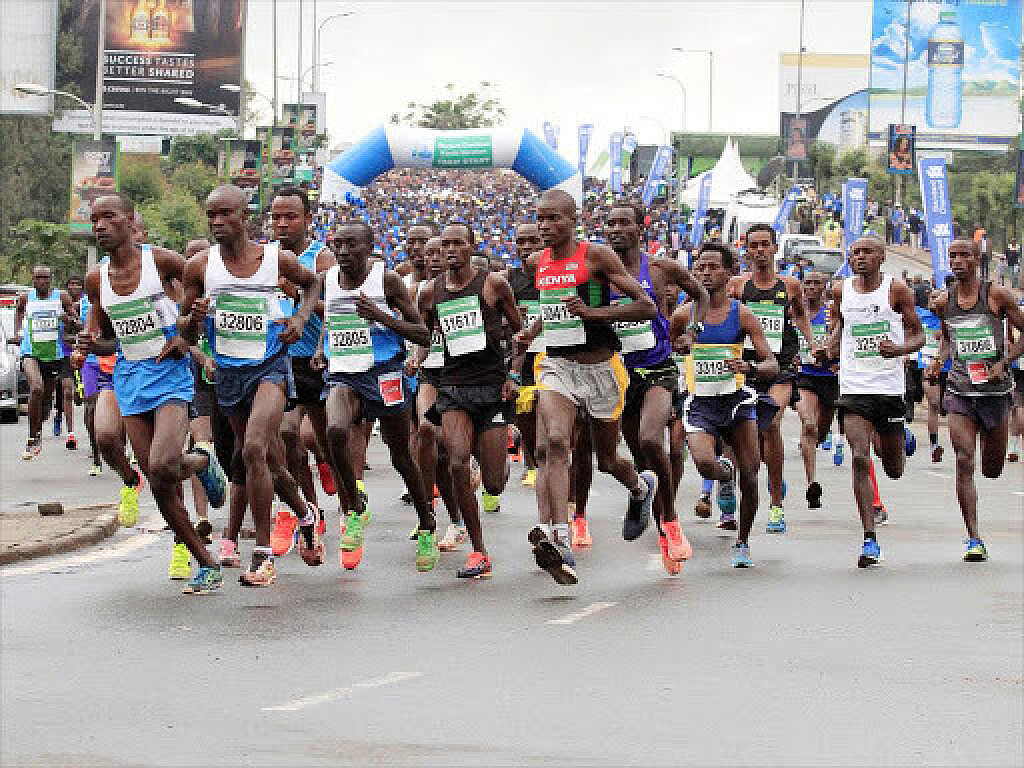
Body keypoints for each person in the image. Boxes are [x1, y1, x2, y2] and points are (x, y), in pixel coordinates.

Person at [78, 193, 229, 594]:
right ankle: (206, 562)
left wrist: (186, 337)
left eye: (109, 217)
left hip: (169, 373)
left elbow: (200, 298)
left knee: (164, 464)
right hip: (130, 376)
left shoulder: (161, 262)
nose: (100, 226)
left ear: (130, 221)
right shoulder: (97, 280)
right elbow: (109, 340)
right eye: (95, 220)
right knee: (159, 481)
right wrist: (91, 345)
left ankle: (201, 461)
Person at [179, 185, 324, 587]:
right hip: (229, 372)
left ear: (245, 217)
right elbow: (183, 331)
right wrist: (194, 317)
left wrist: (300, 319)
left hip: (270, 366)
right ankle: (305, 514)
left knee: (254, 449)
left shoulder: (275, 259)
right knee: (268, 463)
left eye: (226, 213)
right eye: (211, 215)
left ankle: (262, 555)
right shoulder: (200, 266)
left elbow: (313, 285)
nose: (217, 221)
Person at [516, 189, 658, 585]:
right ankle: (560, 538)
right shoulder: (537, 262)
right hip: (558, 366)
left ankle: (639, 487)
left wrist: (593, 313)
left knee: (607, 460)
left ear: (573, 220)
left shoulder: (596, 256)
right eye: (540, 218)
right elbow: (553, 308)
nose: (545, 226)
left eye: (554, 219)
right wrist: (531, 333)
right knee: (555, 443)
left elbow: (646, 306)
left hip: (601, 369)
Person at [312, 220, 439, 572]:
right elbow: (333, 320)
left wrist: (380, 316)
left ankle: (426, 522)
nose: (343, 251)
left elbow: (423, 334)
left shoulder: (386, 280)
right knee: (335, 431)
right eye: (338, 244)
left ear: (369, 248)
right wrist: (322, 348)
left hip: (384, 374)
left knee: (401, 457)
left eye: (351, 244)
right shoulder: (328, 280)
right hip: (343, 373)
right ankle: (354, 507)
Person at [605, 201, 709, 574]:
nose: (616, 229)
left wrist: (692, 332)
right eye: (611, 223)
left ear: (640, 229)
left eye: (624, 223)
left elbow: (700, 295)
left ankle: (670, 520)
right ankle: (656, 517)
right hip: (618, 374)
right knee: (639, 457)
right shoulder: (599, 274)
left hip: (658, 368)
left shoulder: (662, 268)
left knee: (651, 440)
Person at [418, 223, 522, 579]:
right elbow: (425, 335)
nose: (450, 250)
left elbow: (520, 334)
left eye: (457, 244)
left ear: (471, 246)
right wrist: (417, 357)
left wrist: (514, 375)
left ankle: (497, 455)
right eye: (444, 245)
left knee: (493, 484)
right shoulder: (430, 292)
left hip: (491, 387)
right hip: (453, 388)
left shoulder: (493, 285)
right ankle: (479, 551)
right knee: (457, 463)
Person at [670, 243, 779, 567]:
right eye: (700, 268)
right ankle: (723, 474)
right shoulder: (683, 315)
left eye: (713, 267)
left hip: (736, 403)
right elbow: (670, 351)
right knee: (705, 464)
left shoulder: (742, 314)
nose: (705, 273)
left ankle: (742, 542)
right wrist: (679, 348)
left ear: (730, 272)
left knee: (751, 474)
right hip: (700, 403)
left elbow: (771, 363)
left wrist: (751, 368)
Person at [820, 235, 924, 568]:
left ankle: (901, 435)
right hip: (854, 388)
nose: (860, 257)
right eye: (855, 253)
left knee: (893, 469)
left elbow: (919, 334)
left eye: (867, 252)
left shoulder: (896, 290)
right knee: (860, 458)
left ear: (882, 258)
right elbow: (841, 328)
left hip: (889, 389)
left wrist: (900, 349)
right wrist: (828, 348)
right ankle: (869, 538)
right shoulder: (841, 291)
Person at [926, 240, 1024, 561]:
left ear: (977, 259)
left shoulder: (996, 296)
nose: (957, 260)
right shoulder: (945, 301)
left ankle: (975, 533)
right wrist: (938, 361)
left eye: (964, 255)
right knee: (964, 460)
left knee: (992, 469)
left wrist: (1004, 361)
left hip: (995, 393)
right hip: (960, 391)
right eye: (952, 255)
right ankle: (973, 538)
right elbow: (947, 339)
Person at [727, 224, 814, 534]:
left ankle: (776, 505)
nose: (760, 250)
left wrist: (811, 343)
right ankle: (740, 484)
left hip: (780, 366)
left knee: (771, 422)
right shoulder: (737, 286)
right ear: (747, 250)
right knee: (741, 431)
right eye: (754, 245)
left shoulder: (790, 285)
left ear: (775, 248)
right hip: (746, 366)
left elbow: (800, 315)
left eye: (765, 244)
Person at [269, 187, 337, 555]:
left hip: (318, 359)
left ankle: (328, 463)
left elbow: (336, 308)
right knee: (286, 434)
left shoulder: (322, 258)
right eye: (276, 217)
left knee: (324, 439)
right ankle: (308, 509)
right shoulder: (264, 258)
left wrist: (298, 297)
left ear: (308, 219)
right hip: (281, 361)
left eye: (290, 216)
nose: (282, 223)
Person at [408, 235, 467, 551]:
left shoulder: (470, 289)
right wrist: (416, 358)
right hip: (431, 373)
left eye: (439, 252)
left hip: (463, 375)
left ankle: (457, 519)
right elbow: (424, 334)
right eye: (428, 253)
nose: (433, 258)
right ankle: (427, 511)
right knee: (427, 431)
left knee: (450, 455)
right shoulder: (422, 293)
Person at [13, 265, 79, 459]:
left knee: (46, 403)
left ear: (51, 279)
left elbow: (74, 320)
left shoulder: (61, 297)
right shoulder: (26, 297)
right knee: (36, 388)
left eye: (45, 278)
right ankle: (32, 438)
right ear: (33, 279)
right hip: (31, 352)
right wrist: (17, 333)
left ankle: (38, 429)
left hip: (53, 354)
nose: (42, 281)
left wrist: (69, 321)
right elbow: (19, 312)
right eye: (38, 278)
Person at [502, 221, 544, 490]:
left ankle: (555, 462)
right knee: (526, 417)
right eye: (521, 241)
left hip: (554, 353)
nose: (526, 247)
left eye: (533, 241)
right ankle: (531, 465)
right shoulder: (508, 278)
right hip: (523, 355)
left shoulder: (557, 275)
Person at [793, 270, 838, 508]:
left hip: (829, 377)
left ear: (824, 287)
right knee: (809, 424)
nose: (811, 287)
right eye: (807, 283)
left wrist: (831, 352)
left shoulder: (832, 312)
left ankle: (810, 445)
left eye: (816, 283)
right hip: (804, 376)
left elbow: (842, 337)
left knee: (819, 431)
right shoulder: (795, 312)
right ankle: (811, 483)